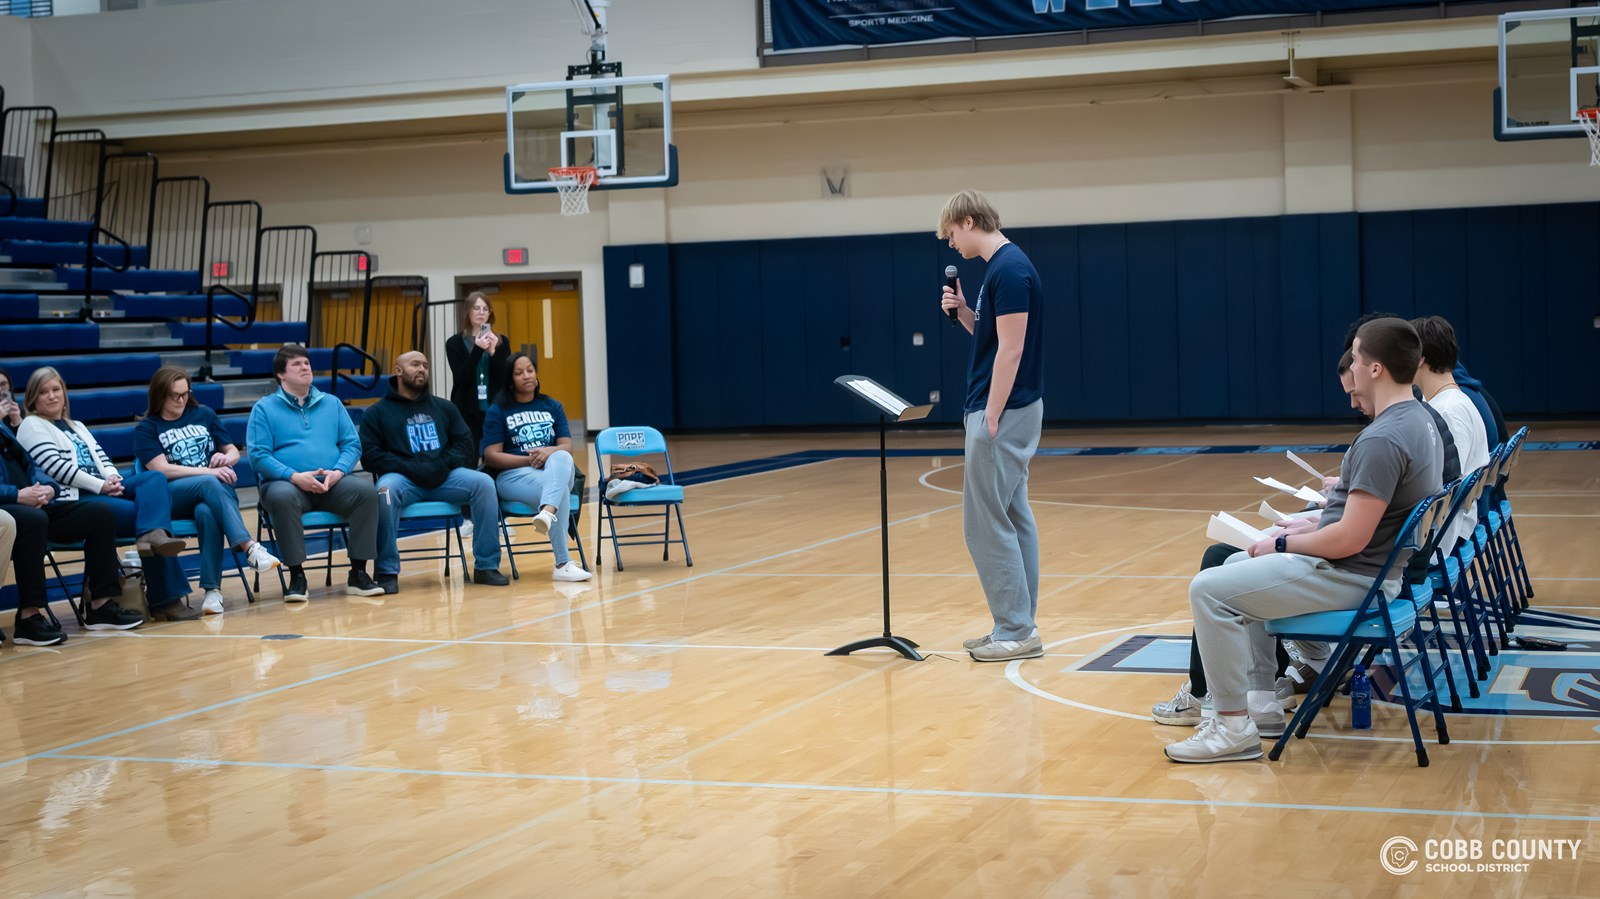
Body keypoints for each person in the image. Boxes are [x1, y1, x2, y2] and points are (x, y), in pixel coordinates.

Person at [1164, 317, 1443, 763]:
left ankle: (1231, 726)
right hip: (1373, 570)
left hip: (1355, 577)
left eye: (1354, 357)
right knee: (1234, 570)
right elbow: (1370, 519)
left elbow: (1350, 538)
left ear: (1374, 369)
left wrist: (1280, 544)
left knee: (1209, 590)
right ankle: (1262, 708)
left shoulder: (1384, 438)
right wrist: (1305, 529)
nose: (1349, 366)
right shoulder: (1419, 420)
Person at [936, 189, 1046, 662]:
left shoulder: (1010, 269)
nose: (950, 244)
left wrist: (992, 416)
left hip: (1003, 411)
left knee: (984, 524)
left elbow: (1012, 350)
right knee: (1012, 516)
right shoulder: (1001, 270)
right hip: (1006, 408)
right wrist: (963, 312)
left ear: (967, 220)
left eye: (950, 233)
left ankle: (1016, 629)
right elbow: (992, 337)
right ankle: (1015, 623)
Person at [17, 367, 199, 621]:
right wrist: (100, 486)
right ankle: (166, 598)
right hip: (76, 500)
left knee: (154, 479)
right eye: (44, 392)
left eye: (56, 389)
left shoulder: (75, 425)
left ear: (64, 393)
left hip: (102, 491)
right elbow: (57, 469)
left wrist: (113, 477)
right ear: (33, 398)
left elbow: (101, 458)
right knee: (148, 517)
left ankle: (154, 540)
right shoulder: (31, 425)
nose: (51, 396)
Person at [136, 365, 281, 614]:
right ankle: (249, 547)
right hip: (172, 496)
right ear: (160, 395)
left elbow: (233, 450)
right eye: (175, 395)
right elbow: (161, 470)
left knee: (206, 513)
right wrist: (209, 472)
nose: (182, 400)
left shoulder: (203, 413)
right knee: (211, 482)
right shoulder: (148, 428)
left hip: (211, 494)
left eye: (185, 393)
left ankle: (212, 591)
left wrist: (226, 460)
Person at [247, 344, 385, 602]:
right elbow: (258, 456)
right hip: (286, 484)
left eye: (307, 363)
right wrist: (294, 476)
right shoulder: (264, 409)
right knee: (281, 497)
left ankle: (358, 573)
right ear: (281, 374)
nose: (305, 368)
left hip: (331, 483)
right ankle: (297, 576)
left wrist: (339, 471)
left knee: (366, 493)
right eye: (297, 364)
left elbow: (352, 444)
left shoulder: (331, 403)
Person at [360, 351, 509, 590]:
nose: (421, 369)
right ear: (398, 371)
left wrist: (441, 465)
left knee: (483, 483)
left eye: (425, 366)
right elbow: (370, 456)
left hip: (444, 477)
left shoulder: (444, 407)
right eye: (414, 364)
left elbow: (465, 444)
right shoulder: (377, 412)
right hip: (403, 480)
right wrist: (409, 467)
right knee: (384, 490)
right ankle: (387, 571)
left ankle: (486, 566)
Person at [1, 408, 140, 642]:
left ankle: (100, 606)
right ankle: (29, 616)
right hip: (13, 504)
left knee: (100, 514)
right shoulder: (29, 426)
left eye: (4, 389)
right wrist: (16, 494)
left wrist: (49, 488)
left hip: (33, 501)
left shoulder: (6, 430)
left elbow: (33, 467)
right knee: (33, 520)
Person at [482, 352, 591, 583]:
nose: (526, 376)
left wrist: (547, 453)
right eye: (519, 372)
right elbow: (491, 456)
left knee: (562, 458)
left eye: (530, 370)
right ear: (510, 380)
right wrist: (531, 459)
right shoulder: (498, 410)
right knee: (559, 489)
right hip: (514, 477)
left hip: (553, 472)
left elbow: (567, 446)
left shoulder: (552, 405)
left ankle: (547, 513)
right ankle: (562, 562)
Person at [445, 291, 512, 450]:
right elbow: (462, 377)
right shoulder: (454, 343)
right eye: (476, 308)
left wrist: (492, 352)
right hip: (466, 407)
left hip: (495, 404)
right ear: (468, 312)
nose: (481, 312)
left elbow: (505, 377)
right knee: (470, 453)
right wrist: (477, 349)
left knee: (495, 453)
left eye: (485, 309)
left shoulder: (501, 341)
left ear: (490, 313)